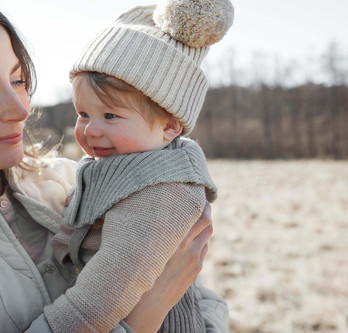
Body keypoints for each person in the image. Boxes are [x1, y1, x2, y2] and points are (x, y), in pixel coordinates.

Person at [0, 0, 227, 332]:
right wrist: (141, 317)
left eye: (19, 80)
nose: (21, 108)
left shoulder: (70, 182)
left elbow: (202, 302)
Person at [50, 0, 234, 332]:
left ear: (169, 126)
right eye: (83, 114)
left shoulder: (163, 192)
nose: (90, 129)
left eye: (110, 116)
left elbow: (105, 293)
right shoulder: (120, 168)